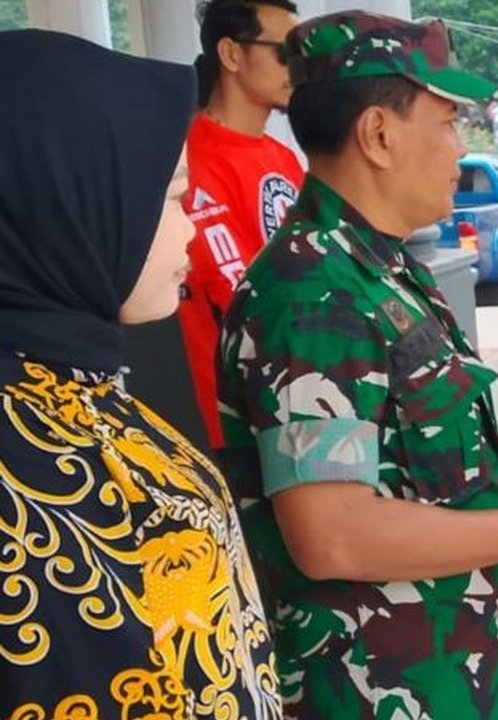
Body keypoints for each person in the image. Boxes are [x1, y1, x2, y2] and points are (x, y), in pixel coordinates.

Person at [216, 12, 498, 719]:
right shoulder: (312, 289)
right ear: (378, 135)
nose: (458, 147)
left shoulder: (374, 267)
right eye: (446, 122)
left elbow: (378, 449)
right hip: (386, 692)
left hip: (463, 677)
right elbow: (332, 532)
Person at [0, 30, 281, 718]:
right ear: (65, 198)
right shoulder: (31, 462)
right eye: (173, 198)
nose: (189, 232)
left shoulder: (78, 391)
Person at [180, 0, 304, 450]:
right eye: (284, 53)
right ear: (231, 55)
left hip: (297, 406)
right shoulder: (193, 161)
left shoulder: (283, 157)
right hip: (238, 422)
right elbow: (237, 295)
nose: (298, 67)